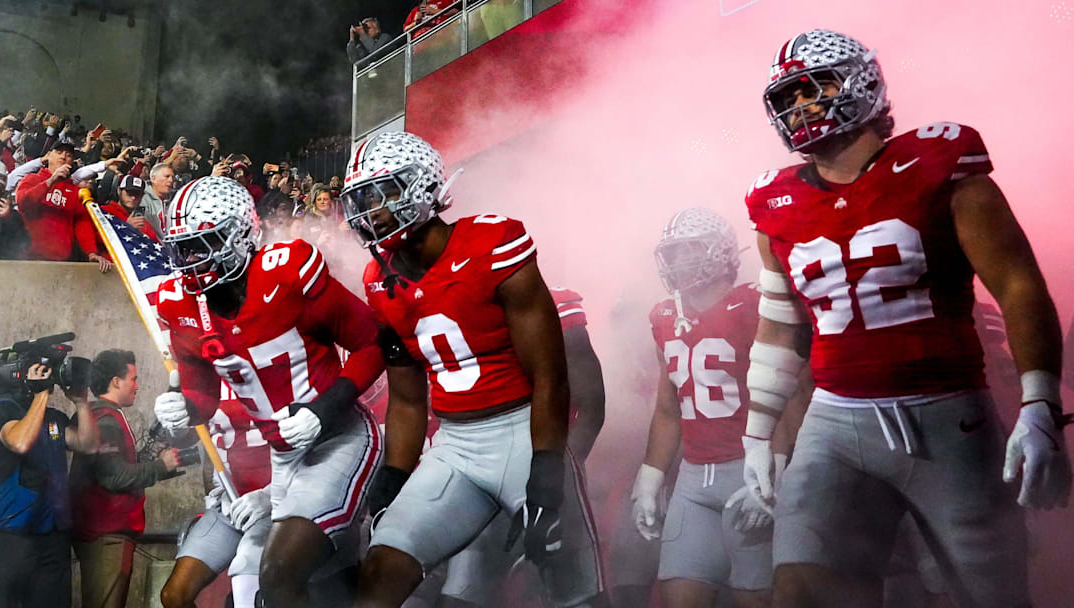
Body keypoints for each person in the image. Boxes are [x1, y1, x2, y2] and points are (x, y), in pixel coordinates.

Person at [740, 29, 1071, 608]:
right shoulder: (775, 201)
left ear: (861, 82)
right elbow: (777, 328)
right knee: (801, 591)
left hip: (946, 416)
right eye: (789, 97)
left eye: (815, 89)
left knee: (990, 595)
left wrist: (1040, 403)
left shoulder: (939, 162)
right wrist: (756, 436)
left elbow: (1019, 285)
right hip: (834, 420)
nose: (801, 107)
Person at [341, 131, 606, 608]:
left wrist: (547, 469)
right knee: (380, 572)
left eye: (385, 194)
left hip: (522, 433)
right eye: (362, 199)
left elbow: (550, 375)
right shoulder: (378, 280)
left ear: (423, 187)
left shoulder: (493, 241)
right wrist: (393, 480)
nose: (371, 211)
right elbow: (405, 397)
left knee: (576, 594)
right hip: (455, 447)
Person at [151, 175, 385, 606]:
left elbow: (373, 343)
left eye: (206, 243)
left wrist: (322, 410)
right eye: (185, 247)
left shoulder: (290, 270)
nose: (192, 259)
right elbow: (203, 397)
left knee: (280, 573)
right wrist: (182, 408)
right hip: (282, 457)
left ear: (242, 234)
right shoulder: (178, 303)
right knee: (276, 580)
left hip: (338, 438)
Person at [629, 208, 779, 608]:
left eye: (689, 250)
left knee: (757, 599)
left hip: (747, 469)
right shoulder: (664, 315)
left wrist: (779, 467)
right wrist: (652, 474)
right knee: (679, 597)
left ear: (720, 251)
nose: (678, 261)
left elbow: (793, 392)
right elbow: (668, 407)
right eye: (672, 253)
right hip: (694, 479)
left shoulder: (755, 303)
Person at [435, 285, 606, 607]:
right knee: (461, 593)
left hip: (546, 475)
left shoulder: (553, 306)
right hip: (482, 479)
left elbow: (592, 403)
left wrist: (557, 475)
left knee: (572, 594)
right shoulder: (444, 311)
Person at [69, 349, 181, 608]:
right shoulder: (106, 420)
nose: (137, 385)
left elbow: (116, 467)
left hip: (104, 532)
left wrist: (151, 457)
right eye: (133, 378)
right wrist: (160, 466)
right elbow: (114, 477)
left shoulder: (103, 415)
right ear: (116, 381)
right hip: (106, 534)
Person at [0, 363, 99, 608]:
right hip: (10, 535)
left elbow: (88, 444)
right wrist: (41, 393)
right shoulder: (2, 411)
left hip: (52, 535)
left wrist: (81, 403)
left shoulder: (52, 418)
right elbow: (20, 442)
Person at [161, 384, 272, 608]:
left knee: (247, 588)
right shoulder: (204, 376)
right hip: (231, 504)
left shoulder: (277, 362)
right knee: (174, 595)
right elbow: (185, 436)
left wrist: (271, 494)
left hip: (279, 501)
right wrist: (175, 425)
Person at [13, 141, 112, 270]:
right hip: (30, 260)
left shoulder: (75, 191)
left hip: (62, 262)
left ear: (72, 162)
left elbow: (82, 224)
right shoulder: (32, 179)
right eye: (59, 152)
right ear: (48, 155)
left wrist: (91, 252)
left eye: (69, 155)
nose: (63, 157)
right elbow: (23, 202)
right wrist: (51, 181)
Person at [100, 175, 160, 242]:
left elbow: (155, 244)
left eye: (137, 194)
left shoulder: (142, 220)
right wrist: (127, 228)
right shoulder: (104, 212)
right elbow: (99, 240)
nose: (133, 198)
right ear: (119, 191)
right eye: (130, 193)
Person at [141, 162, 174, 236]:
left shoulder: (174, 199)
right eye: (167, 176)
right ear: (153, 178)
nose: (171, 180)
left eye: (172, 177)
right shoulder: (141, 199)